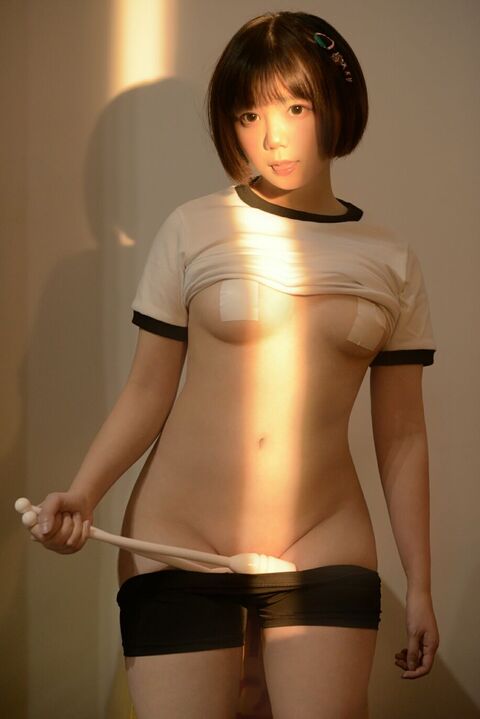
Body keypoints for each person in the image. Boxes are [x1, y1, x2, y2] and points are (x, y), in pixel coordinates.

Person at [28, 10, 440, 719]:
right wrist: (84, 493)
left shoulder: (391, 258)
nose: (272, 136)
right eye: (249, 115)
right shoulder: (194, 228)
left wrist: (422, 585)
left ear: (337, 105)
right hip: (177, 538)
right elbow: (147, 390)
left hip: (323, 541)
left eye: (295, 107)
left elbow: (402, 434)